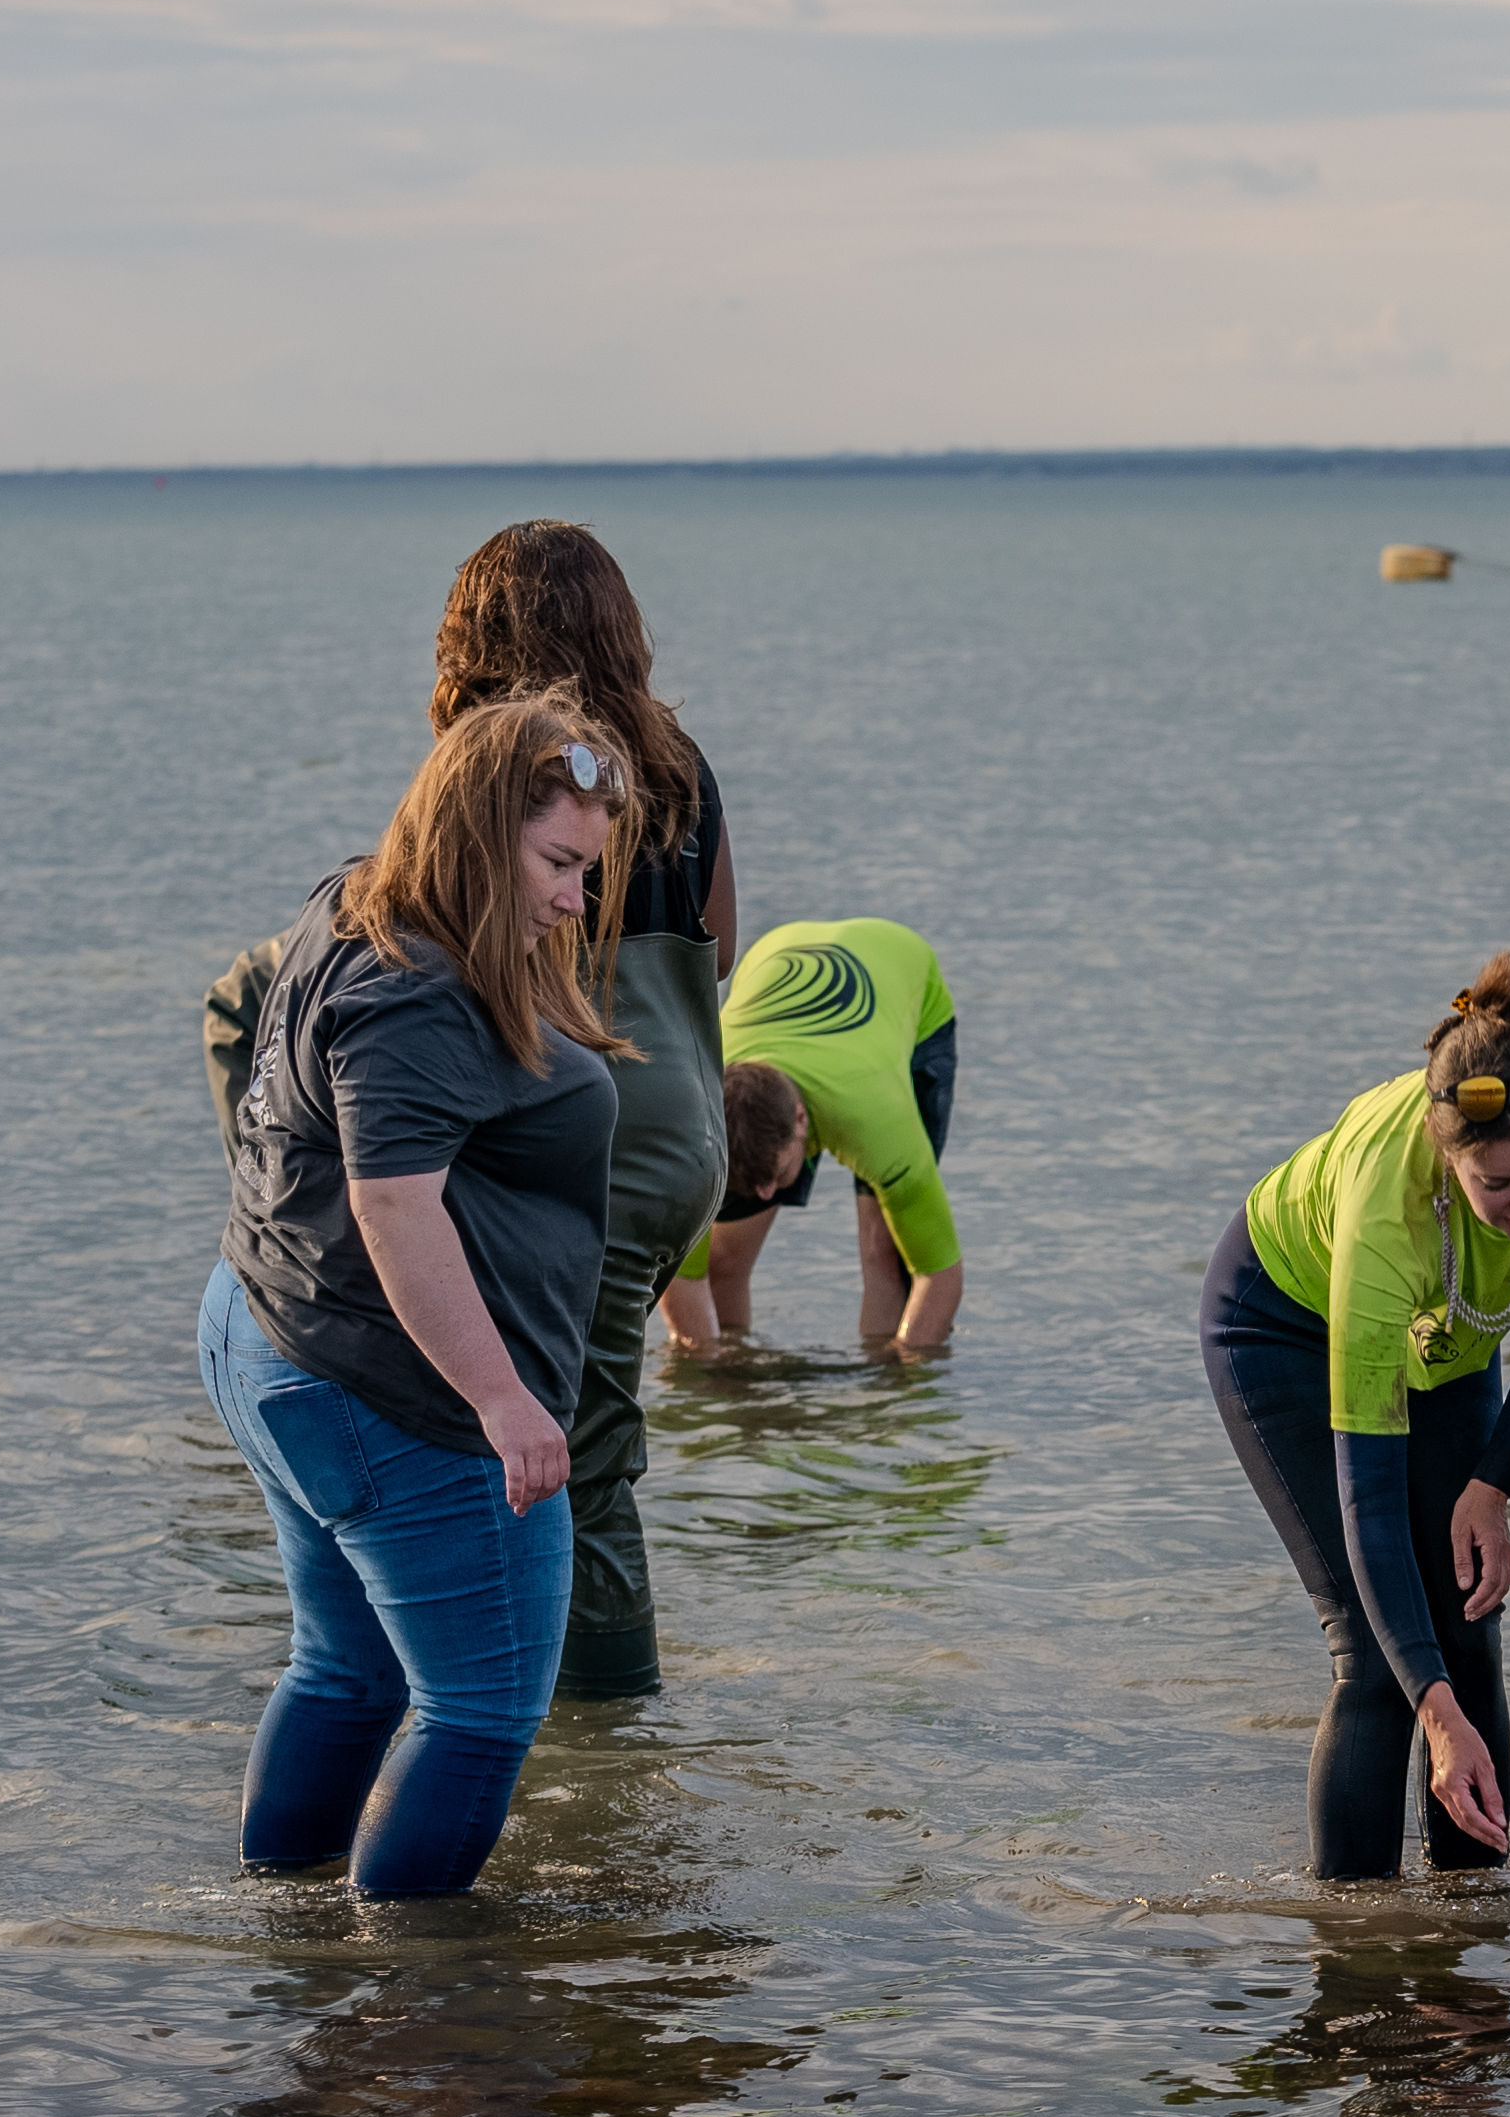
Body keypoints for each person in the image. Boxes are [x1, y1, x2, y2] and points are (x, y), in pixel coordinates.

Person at [204, 523, 735, 1703]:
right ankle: (575, 1725)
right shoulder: (675, 765)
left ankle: (580, 1748)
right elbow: (721, 956)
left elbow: (427, 948)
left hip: (560, 1130)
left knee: (561, 1454)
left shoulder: (490, 776)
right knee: (590, 1430)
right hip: (682, 1120)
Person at [200, 695, 634, 1895]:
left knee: (345, 1667)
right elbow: (393, 1205)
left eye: (586, 871)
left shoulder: (356, 893)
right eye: (556, 862)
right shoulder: (422, 986)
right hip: (394, 1392)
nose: (574, 901)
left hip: (271, 1332)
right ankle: (423, 2008)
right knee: (483, 1708)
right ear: (476, 834)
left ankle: (288, 1941)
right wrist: (503, 1400)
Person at [1203, 958, 1510, 1878]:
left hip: (1450, 1328)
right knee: (1375, 1660)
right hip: (1283, 1322)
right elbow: (1370, 1498)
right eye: (1498, 1186)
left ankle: (1474, 1947)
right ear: (1449, 1157)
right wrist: (1434, 1717)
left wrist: (1492, 1485)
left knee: (1468, 1623)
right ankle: (1359, 1957)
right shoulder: (1386, 1212)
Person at [658, 918, 962, 1355]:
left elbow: (941, 1275)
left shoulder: (876, 1117)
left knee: (885, 1251)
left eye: (774, 1174)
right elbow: (682, 1275)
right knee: (724, 1258)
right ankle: (740, 1385)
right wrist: (710, 1376)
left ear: (802, 1120)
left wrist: (902, 1381)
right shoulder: (696, 1119)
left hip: (904, 982)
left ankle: (880, 1382)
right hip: (778, 949)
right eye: (752, 1183)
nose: (764, 1193)